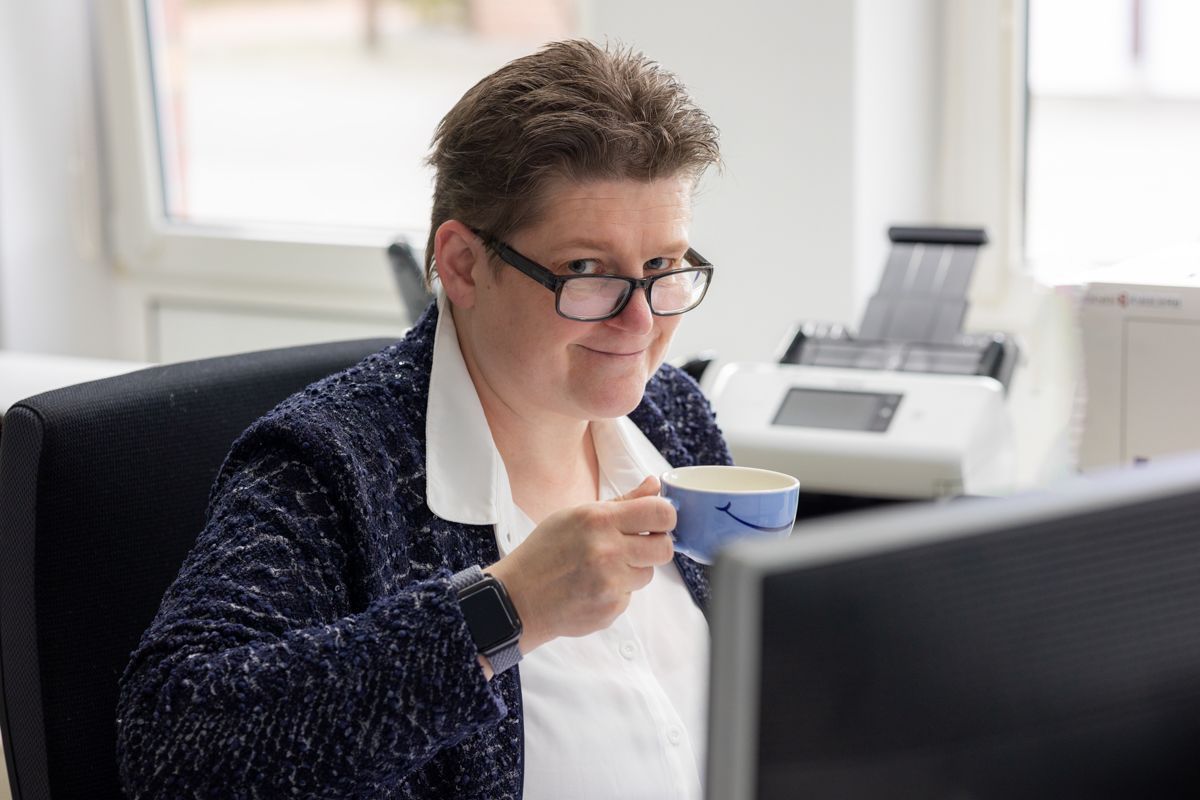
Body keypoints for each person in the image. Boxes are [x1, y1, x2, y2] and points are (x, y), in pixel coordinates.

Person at [116, 39, 729, 799]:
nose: (640, 323)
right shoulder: (327, 465)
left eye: (664, 269)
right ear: (465, 264)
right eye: (587, 272)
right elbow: (175, 746)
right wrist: (502, 611)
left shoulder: (673, 417)